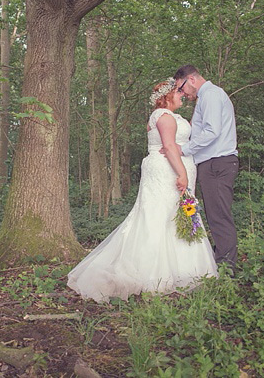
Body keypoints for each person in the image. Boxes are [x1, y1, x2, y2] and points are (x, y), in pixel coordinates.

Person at [67, 78, 217, 303]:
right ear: (167, 97)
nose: (182, 95)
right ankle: (158, 273)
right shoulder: (164, 117)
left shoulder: (163, 116)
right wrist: (182, 174)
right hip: (168, 171)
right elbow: (167, 147)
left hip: (168, 168)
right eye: (178, 92)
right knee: (161, 216)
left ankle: (180, 269)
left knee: (170, 215)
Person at [173, 65, 239, 270]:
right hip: (213, 163)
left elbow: (212, 132)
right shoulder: (207, 97)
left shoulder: (210, 95)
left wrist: (184, 150)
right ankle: (222, 260)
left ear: (191, 79)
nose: (182, 93)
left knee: (219, 216)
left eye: (181, 88)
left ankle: (226, 267)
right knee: (214, 214)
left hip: (217, 163)